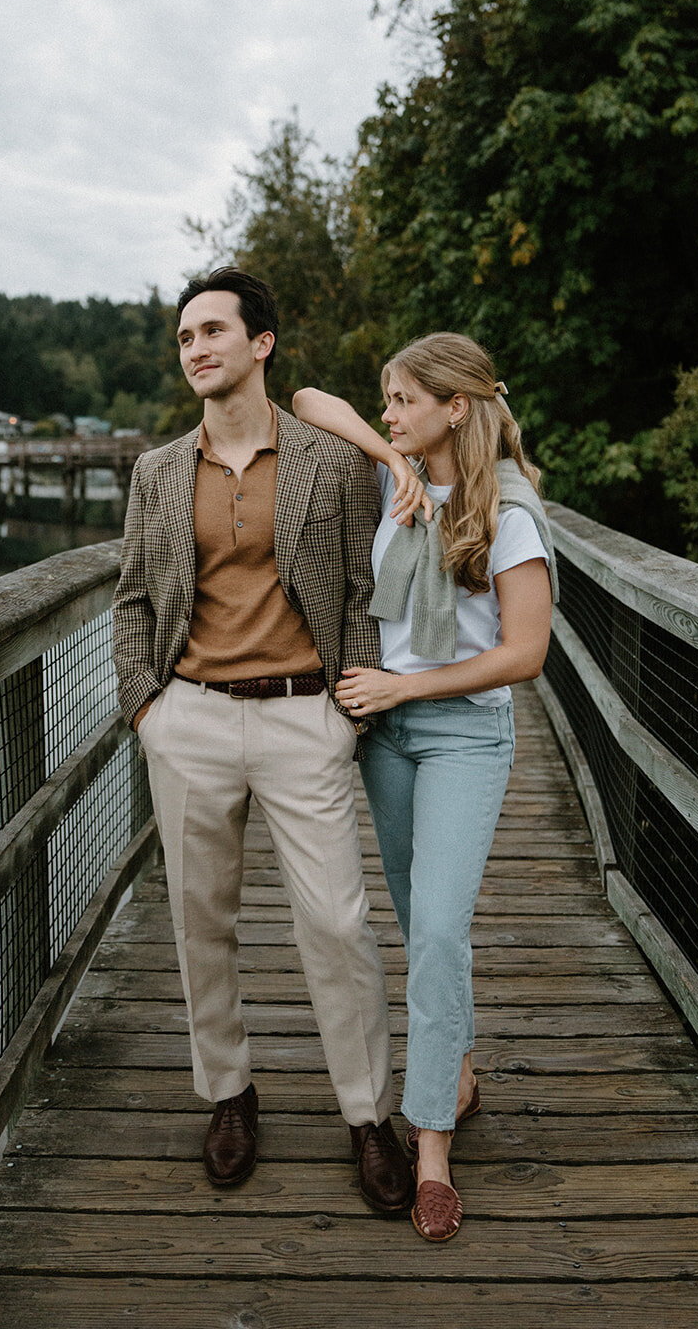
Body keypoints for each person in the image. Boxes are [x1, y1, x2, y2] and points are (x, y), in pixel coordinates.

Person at [112, 267, 414, 1213]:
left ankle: (368, 1116)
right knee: (202, 924)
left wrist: (346, 711)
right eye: (183, 337)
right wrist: (145, 710)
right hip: (190, 717)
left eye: (211, 331)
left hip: (301, 718)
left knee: (336, 923)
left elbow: (363, 594)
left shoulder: (326, 459)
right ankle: (228, 1094)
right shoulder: (158, 472)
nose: (195, 348)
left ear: (260, 344)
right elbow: (129, 599)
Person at [293, 333, 555, 1242]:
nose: (391, 413)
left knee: (439, 929)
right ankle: (460, 1069)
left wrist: (405, 685)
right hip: (384, 736)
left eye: (403, 401)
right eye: (387, 400)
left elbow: (523, 652)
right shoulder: (389, 480)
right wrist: (383, 456)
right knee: (420, 925)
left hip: (461, 735)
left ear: (453, 407)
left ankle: (432, 1144)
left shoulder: (510, 508)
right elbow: (305, 399)